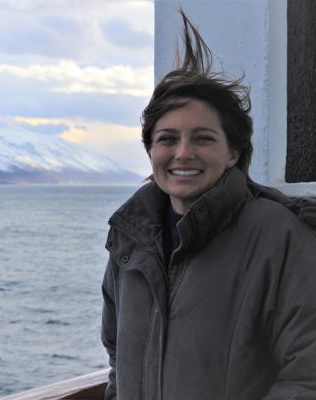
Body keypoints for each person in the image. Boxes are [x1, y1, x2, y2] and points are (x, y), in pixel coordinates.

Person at [101, 11, 316, 400]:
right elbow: (119, 360)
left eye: (203, 138)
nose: (183, 153)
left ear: (233, 152)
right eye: (167, 139)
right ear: (150, 150)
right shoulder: (129, 241)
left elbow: (307, 377)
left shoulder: (278, 235)